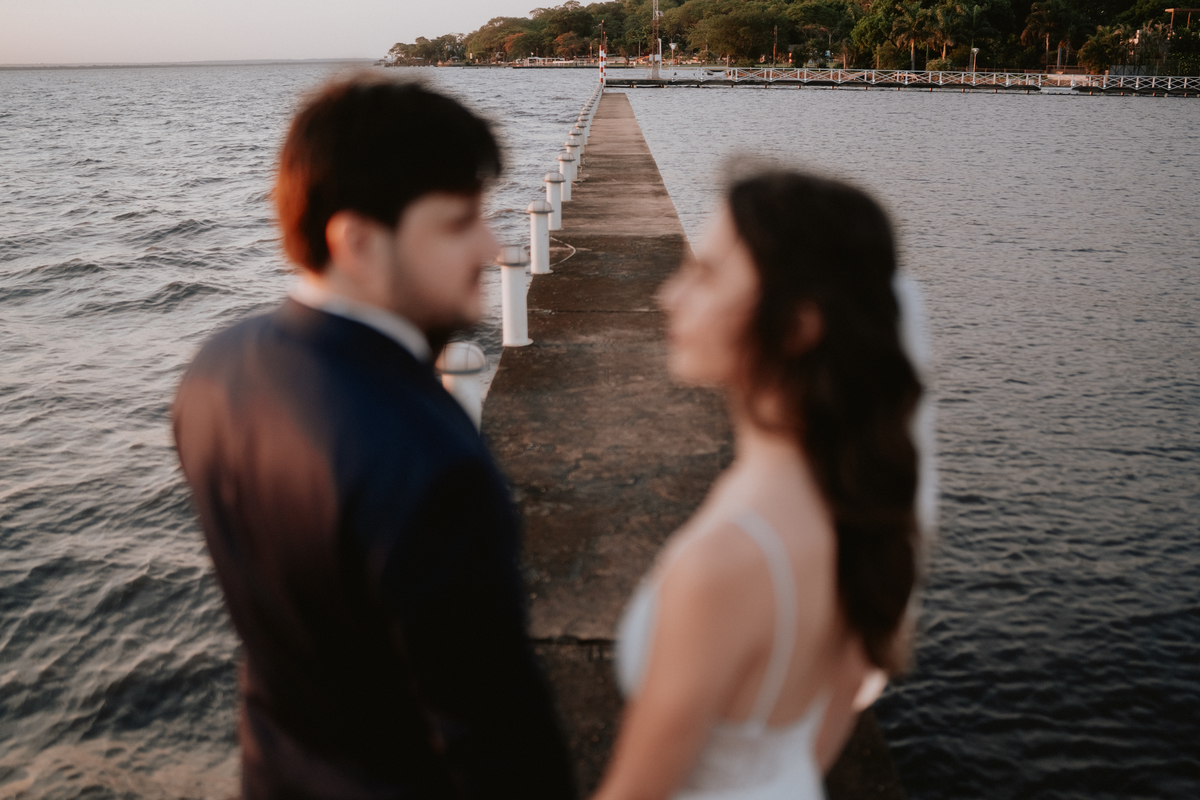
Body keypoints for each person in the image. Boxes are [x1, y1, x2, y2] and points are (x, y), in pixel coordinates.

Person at [173, 75, 575, 800]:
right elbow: (495, 735)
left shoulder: (215, 369)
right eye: (457, 224)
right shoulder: (432, 460)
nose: (489, 247)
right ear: (356, 240)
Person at [593, 169, 928, 800]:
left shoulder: (721, 564)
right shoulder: (860, 505)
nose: (670, 294)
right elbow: (818, 738)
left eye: (707, 274)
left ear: (798, 326)